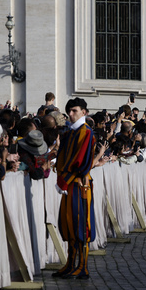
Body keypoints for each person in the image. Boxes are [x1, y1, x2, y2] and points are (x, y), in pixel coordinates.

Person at [53, 97, 96, 280]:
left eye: (75, 110)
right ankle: (71, 264)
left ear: (84, 112)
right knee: (69, 224)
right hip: (69, 185)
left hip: (79, 185)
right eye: (69, 111)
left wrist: (66, 179)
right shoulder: (70, 132)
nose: (70, 114)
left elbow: (81, 162)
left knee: (80, 225)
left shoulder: (86, 132)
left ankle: (83, 266)